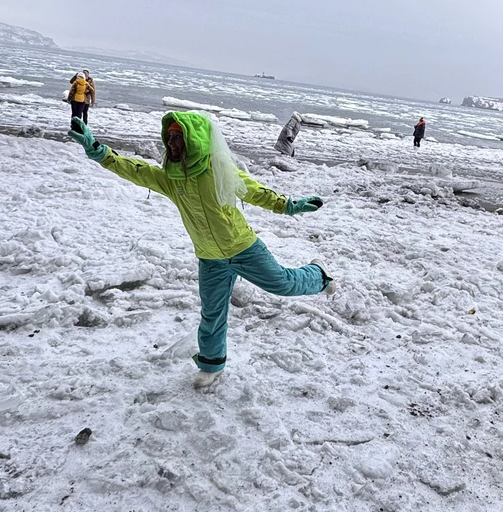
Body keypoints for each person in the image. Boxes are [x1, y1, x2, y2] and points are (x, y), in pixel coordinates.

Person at [68, 110, 334, 389]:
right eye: (169, 137)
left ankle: (318, 275)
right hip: (210, 258)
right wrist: (98, 151)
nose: (171, 143)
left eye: (178, 137)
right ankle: (211, 363)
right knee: (212, 312)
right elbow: (135, 170)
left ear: (194, 140)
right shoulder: (170, 178)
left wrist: (290, 206)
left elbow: (255, 192)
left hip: (243, 247)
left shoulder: (218, 170)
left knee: (283, 284)